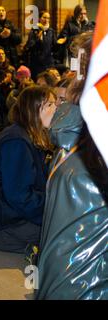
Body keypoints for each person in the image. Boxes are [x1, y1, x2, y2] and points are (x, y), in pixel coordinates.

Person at [36, 32, 108, 300]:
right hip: (70, 269)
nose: (71, 71)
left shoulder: (75, 133)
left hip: (77, 276)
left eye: (78, 65)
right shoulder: (71, 131)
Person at [0, 85, 57, 254]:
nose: (56, 108)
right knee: (69, 231)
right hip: (6, 229)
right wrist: (53, 213)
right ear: (33, 109)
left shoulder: (28, 136)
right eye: (50, 104)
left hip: (13, 219)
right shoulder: (16, 142)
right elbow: (20, 197)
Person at [24, 11, 57, 80]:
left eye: (48, 18)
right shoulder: (34, 30)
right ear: (39, 18)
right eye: (44, 17)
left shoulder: (51, 31)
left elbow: (54, 47)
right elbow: (29, 46)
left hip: (48, 63)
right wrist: (37, 39)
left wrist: (59, 44)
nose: (46, 20)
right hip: (37, 63)